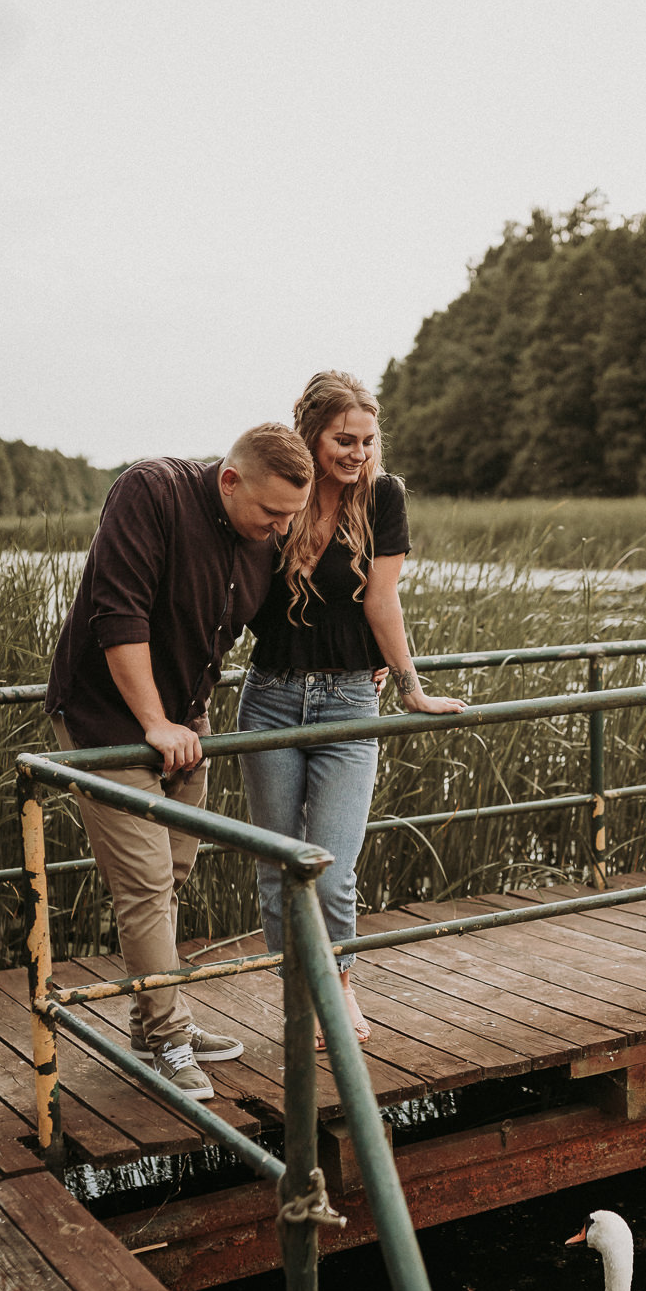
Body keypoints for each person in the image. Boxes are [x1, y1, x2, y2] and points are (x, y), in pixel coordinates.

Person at [45, 423, 314, 1100]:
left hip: (182, 731)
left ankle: (150, 1018)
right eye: (271, 513)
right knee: (143, 883)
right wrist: (154, 722)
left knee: (175, 873)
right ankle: (167, 1039)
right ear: (229, 478)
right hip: (106, 723)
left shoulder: (259, 540)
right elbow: (117, 613)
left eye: (290, 517)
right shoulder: (152, 491)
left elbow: (287, 628)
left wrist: (367, 665)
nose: (279, 529)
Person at [238, 372, 464, 1043]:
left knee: (333, 872)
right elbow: (238, 593)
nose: (358, 452)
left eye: (367, 440)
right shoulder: (282, 492)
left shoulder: (384, 497)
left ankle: (336, 986)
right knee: (281, 870)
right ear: (311, 435)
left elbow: (381, 598)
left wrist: (409, 687)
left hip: (348, 702)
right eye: (344, 439)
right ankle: (298, 996)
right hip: (270, 700)